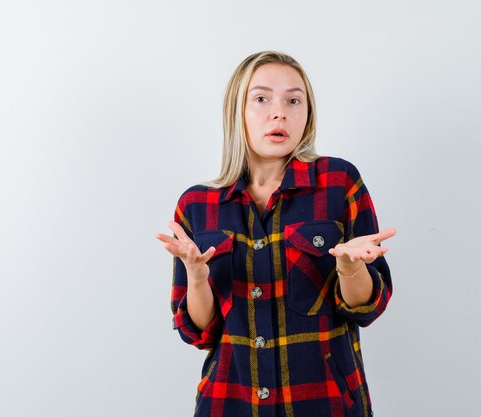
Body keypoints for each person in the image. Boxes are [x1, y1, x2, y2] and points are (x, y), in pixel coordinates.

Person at [155, 51, 396, 417]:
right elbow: (199, 332)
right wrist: (198, 277)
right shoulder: (197, 205)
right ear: (237, 111)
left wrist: (350, 269)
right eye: (262, 98)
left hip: (325, 404)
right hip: (228, 404)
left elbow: (368, 307)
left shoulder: (338, 182)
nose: (279, 112)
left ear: (307, 114)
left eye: (294, 100)